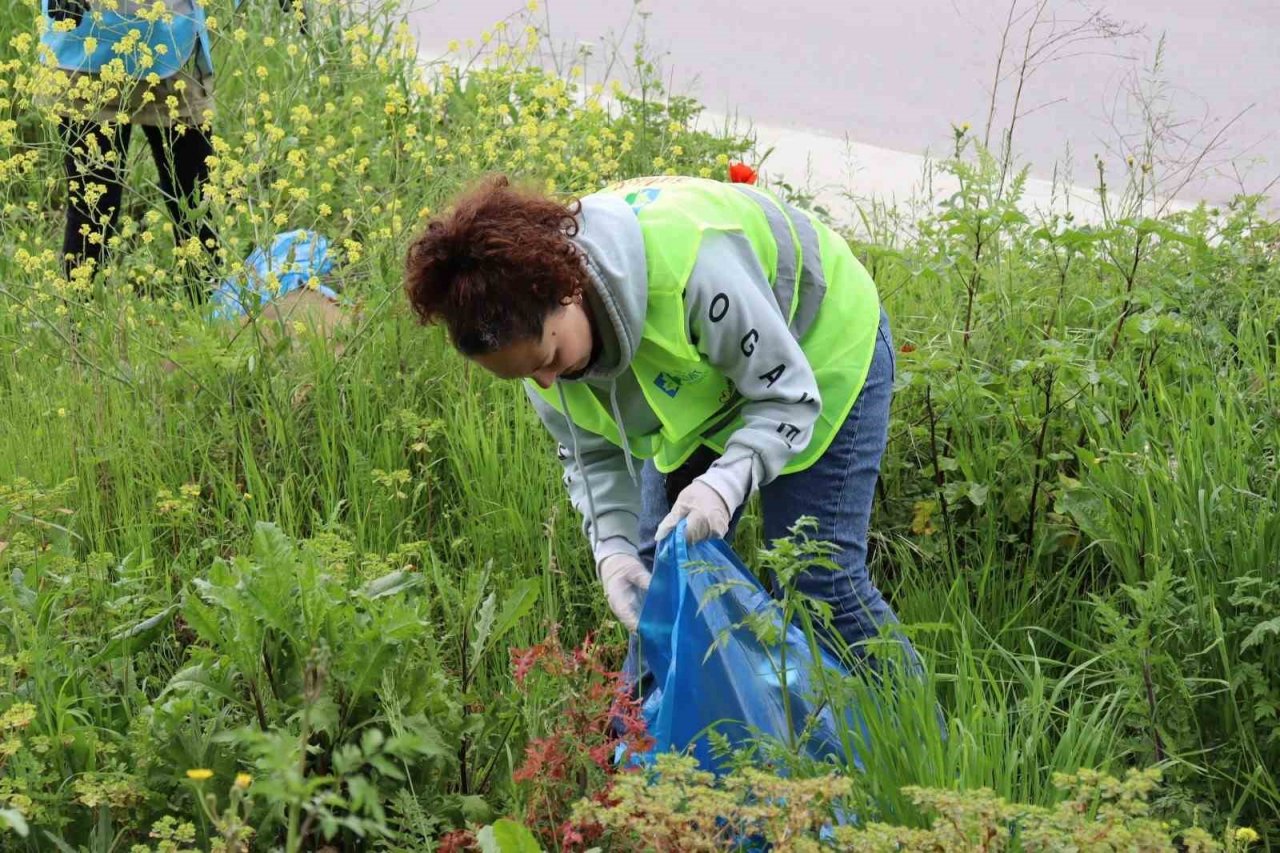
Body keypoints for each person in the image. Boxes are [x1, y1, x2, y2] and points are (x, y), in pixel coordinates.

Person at [403, 173, 917, 669]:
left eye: (548, 358)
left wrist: (726, 483)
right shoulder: (541, 363)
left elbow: (786, 396)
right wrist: (613, 550)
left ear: (568, 291)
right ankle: (652, 751)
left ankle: (912, 735)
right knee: (659, 583)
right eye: (523, 375)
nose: (544, 382)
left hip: (816, 348)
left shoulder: (693, 265)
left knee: (814, 578)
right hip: (704, 381)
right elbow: (592, 457)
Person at [39, 0, 219, 298]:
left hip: (174, 41)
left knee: (195, 198)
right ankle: (79, 331)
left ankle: (211, 324)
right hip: (86, 45)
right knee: (92, 206)